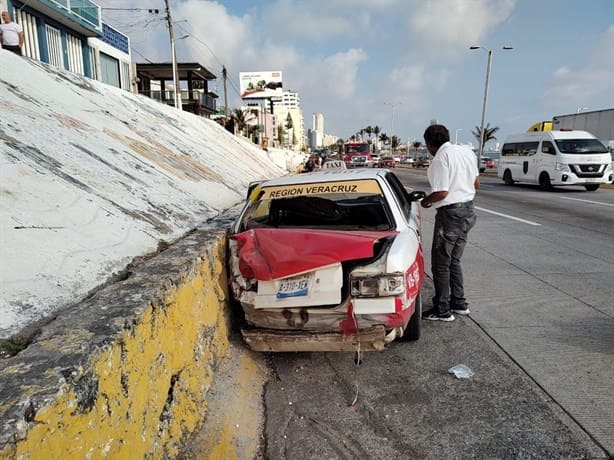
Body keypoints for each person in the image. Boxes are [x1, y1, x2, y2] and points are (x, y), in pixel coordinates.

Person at [420, 124, 479, 321]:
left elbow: (442, 192)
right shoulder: (467, 152)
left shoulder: (440, 158)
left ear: (429, 144)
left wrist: (426, 201)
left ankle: (442, 309)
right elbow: (476, 183)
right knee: (454, 260)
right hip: (468, 211)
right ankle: (459, 303)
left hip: (450, 215)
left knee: (440, 264)